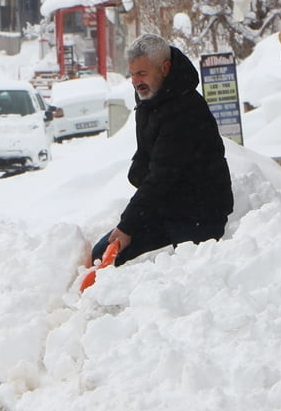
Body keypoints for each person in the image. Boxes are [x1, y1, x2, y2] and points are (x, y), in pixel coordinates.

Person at [91, 34, 234, 267]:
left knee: (186, 274)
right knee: (103, 253)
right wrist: (137, 172)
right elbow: (147, 155)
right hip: (168, 206)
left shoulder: (185, 111)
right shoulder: (150, 101)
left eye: (143, 74)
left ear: (165, 68)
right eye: (133, 74)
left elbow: (162, 177)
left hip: (200, 214)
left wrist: (127, 226)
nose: (136, 82)